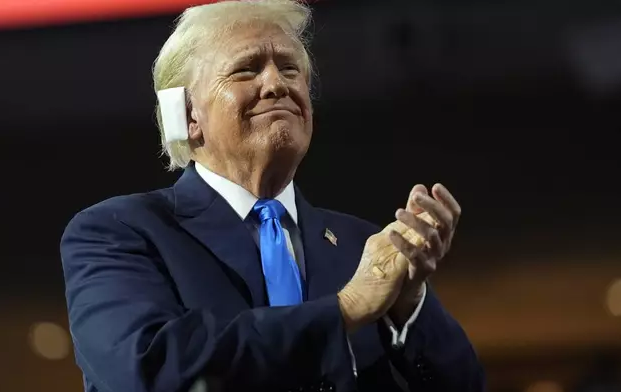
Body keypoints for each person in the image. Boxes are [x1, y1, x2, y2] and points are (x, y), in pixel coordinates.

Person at [59, 1, 485, 391]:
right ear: (188, 116)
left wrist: (407, 309)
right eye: (247, 70)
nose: (276, 84)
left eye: (290, 68)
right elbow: (145, 371)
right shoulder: (118, 233)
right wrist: (346, 308)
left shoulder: (367, 249)